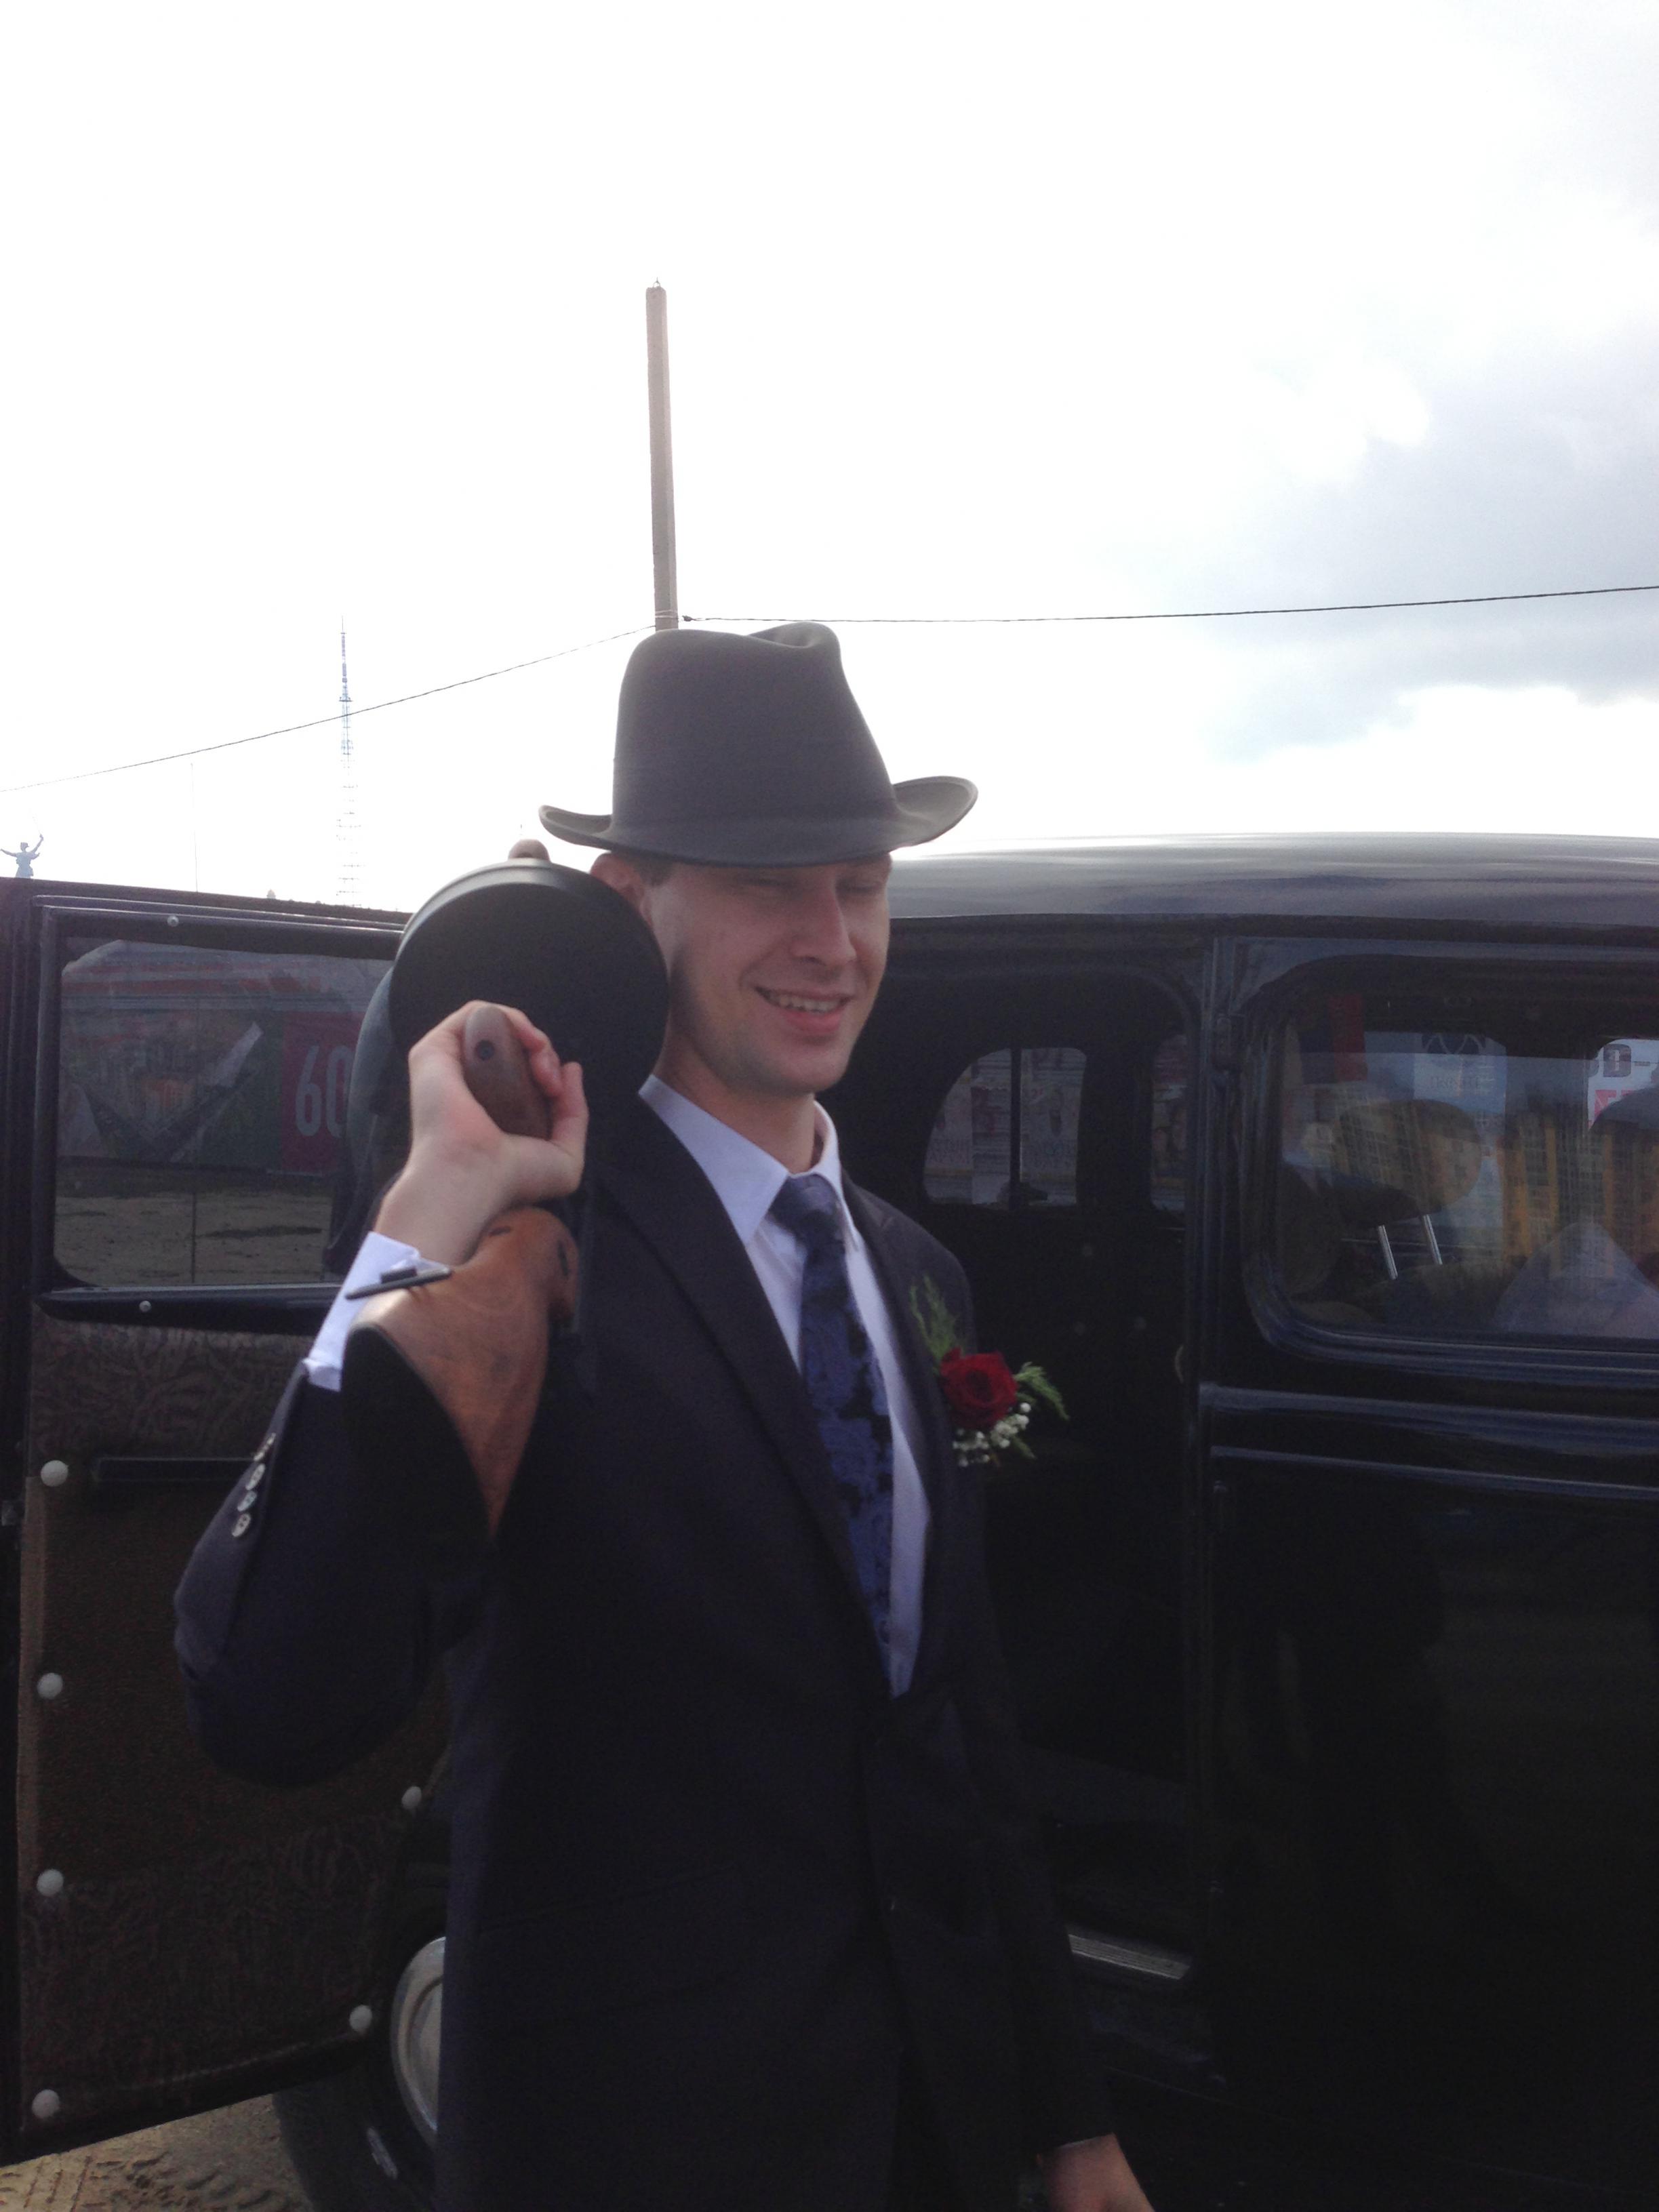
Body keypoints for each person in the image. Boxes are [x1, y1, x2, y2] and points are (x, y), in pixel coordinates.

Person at [176, 623, 1154, 2212]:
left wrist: (1068, 2113)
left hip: (931, 2132)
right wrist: (420, 1222)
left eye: (860, 884)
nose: (831, 939)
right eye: (768, 883)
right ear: (632, 903)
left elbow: (959, 1727)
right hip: (631, 2149)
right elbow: (268, 1696)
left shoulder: (918, 1271)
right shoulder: (520, 1264)